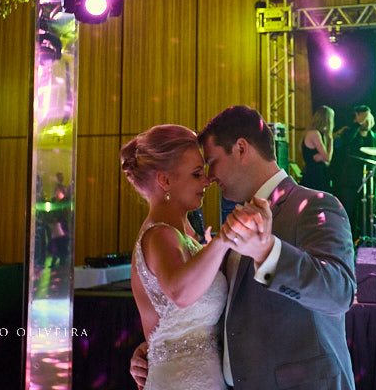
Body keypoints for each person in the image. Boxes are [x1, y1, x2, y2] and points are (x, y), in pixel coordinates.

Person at [131, 106, 356, 390]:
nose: (210, 177)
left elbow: (339, 294)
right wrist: (160, 349)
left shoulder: (313, 205)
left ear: (240, 149)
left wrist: (268, 253)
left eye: (211, 162)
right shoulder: (235, 222)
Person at [122, 124, 254, 390]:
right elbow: (180, 294)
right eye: (196, 174)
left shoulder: (188, 235)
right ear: (165, 180)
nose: (206, 181)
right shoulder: (159, 236)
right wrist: (224, 239)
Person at [332, 105, 376, 240]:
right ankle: (349, 242)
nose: (365, 122)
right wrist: (357, 125)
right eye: (362, 119)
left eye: (367, 119)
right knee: (349, 213)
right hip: (350, 181)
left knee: (368, 215)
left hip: (370, 182)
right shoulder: (349, 133)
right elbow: (342, 143)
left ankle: (367, 241)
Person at [300, 105, 335, 192]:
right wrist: (331, 141)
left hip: (316, 175)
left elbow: (326, 160)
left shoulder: (317, 133)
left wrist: (321, 157)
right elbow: (327, 158)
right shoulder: (315, 133)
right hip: (314, 176)